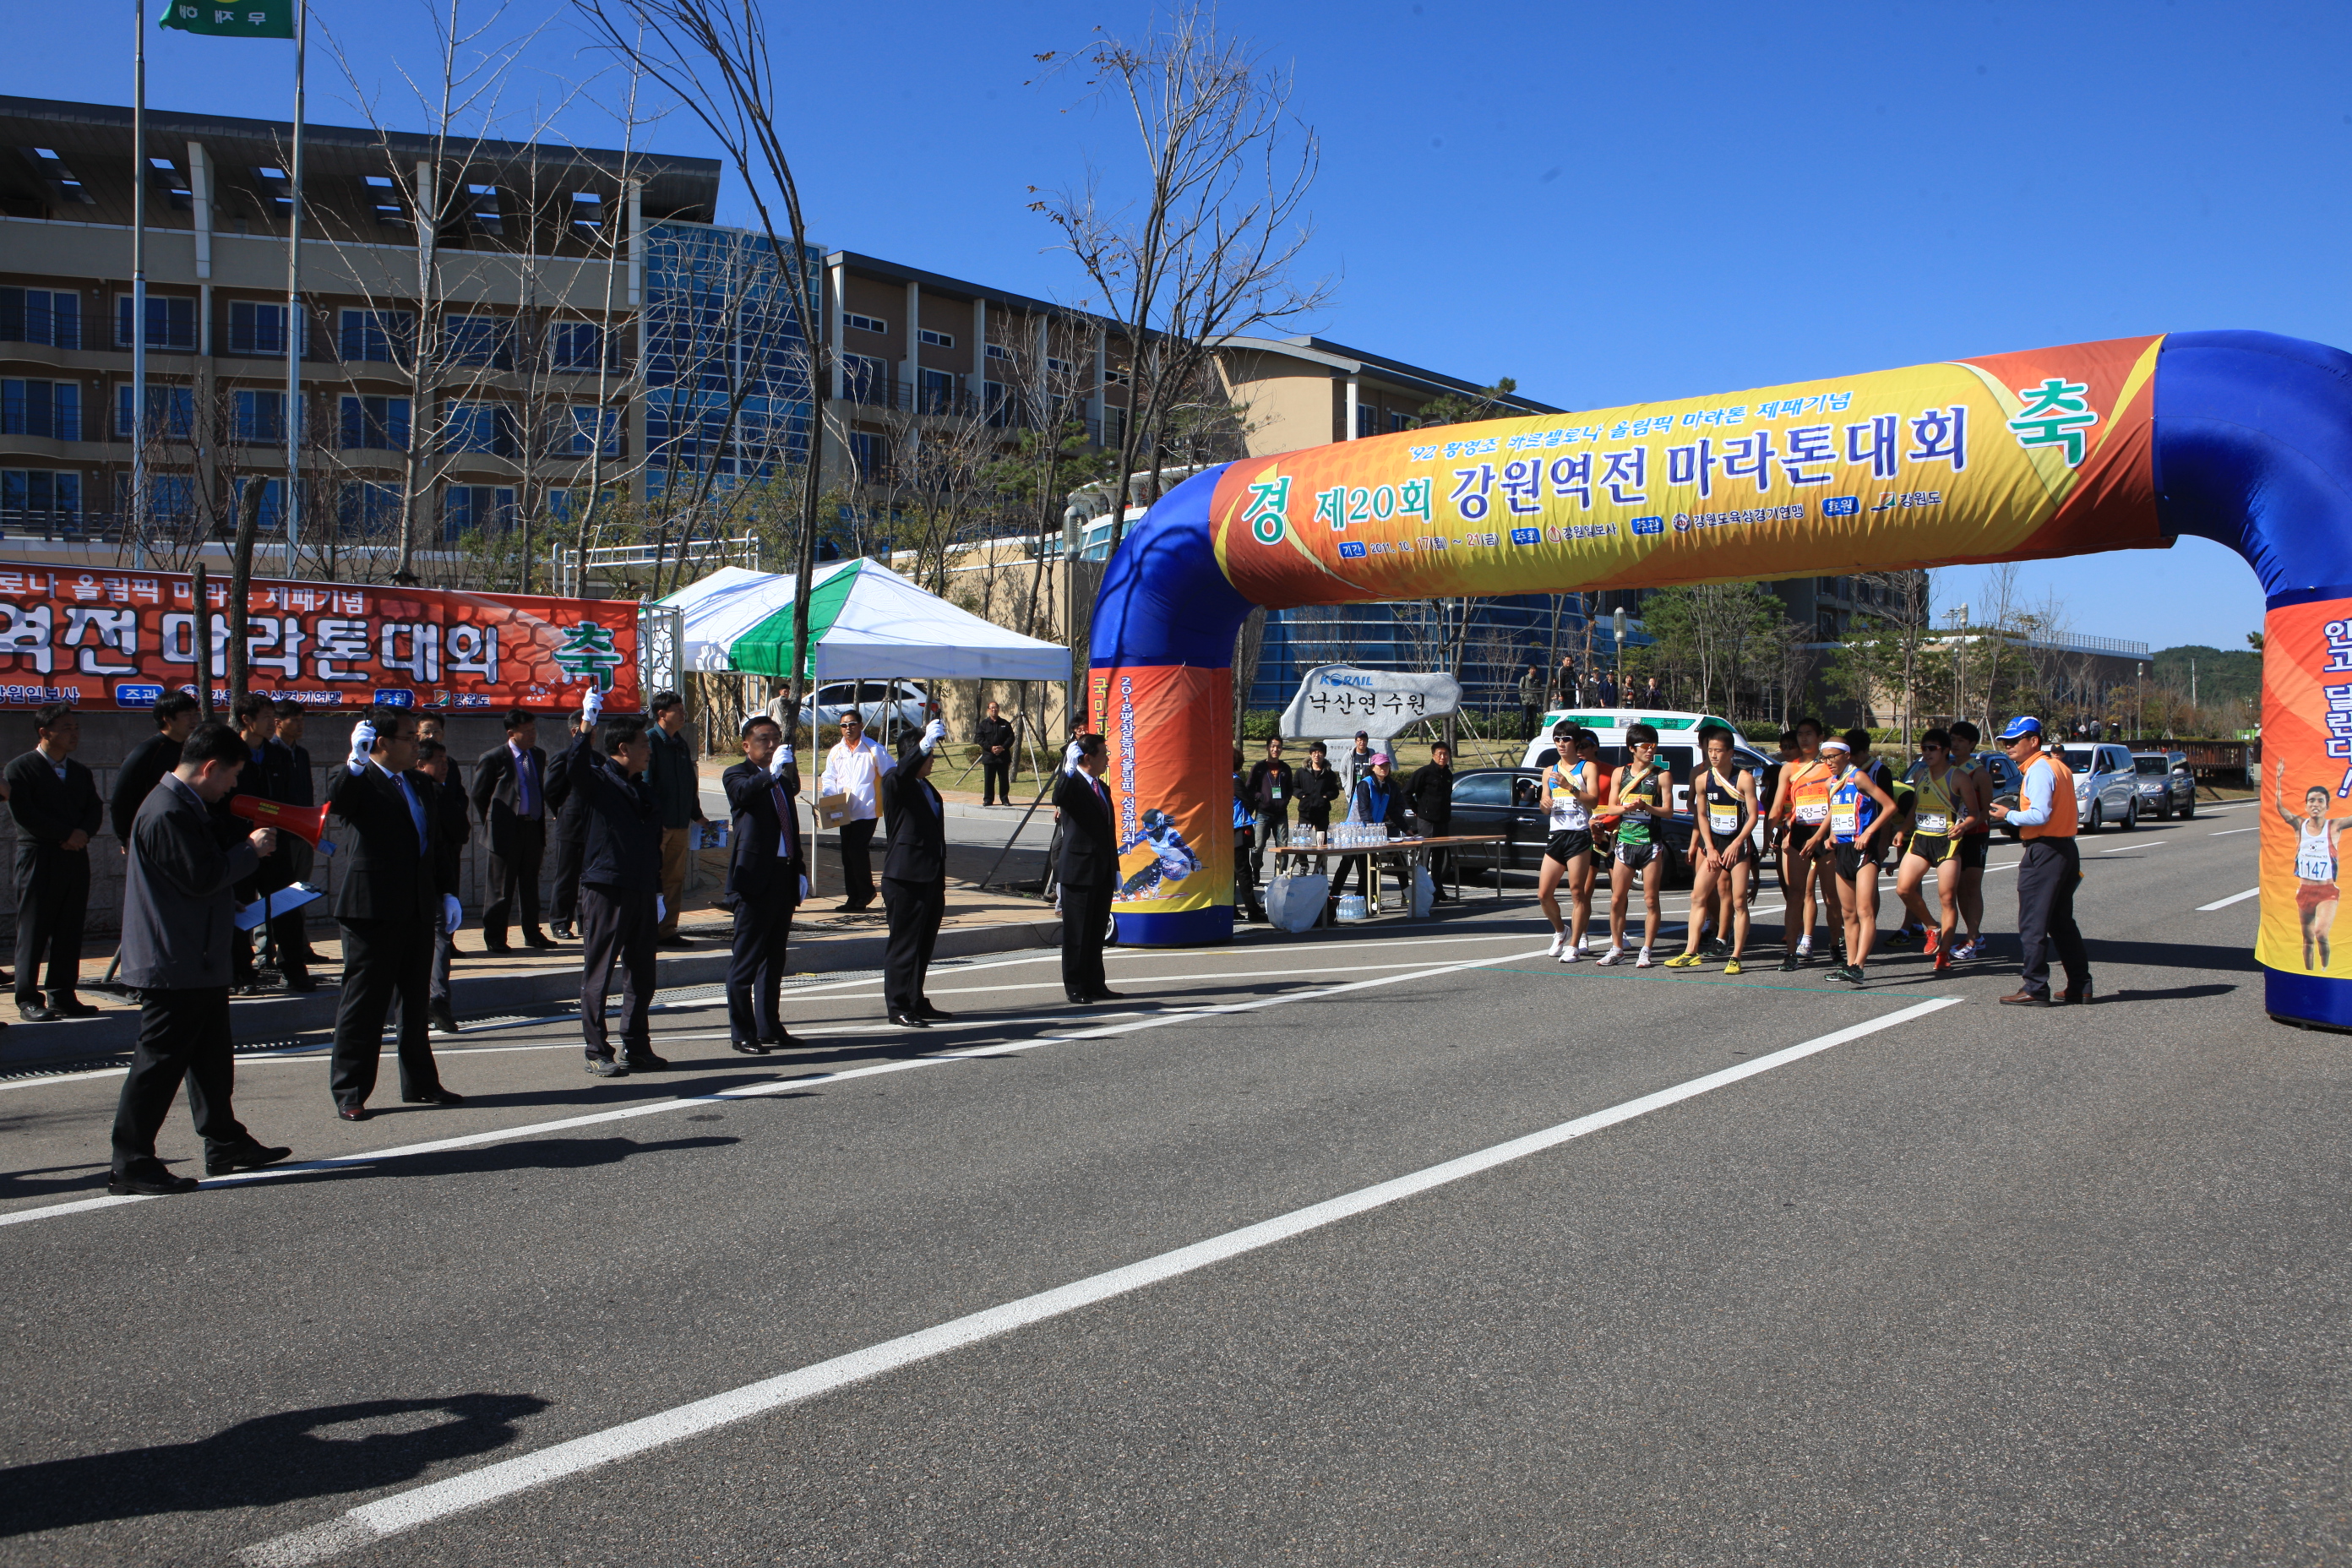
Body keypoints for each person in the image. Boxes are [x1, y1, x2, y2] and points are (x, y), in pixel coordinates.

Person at [107, 721, 291, 1195]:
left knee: (211, 1058)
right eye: (230, 776)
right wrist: (248, 852)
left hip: (196, 955)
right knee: (159, 1064)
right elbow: (200, 876)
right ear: (209, 767)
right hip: (175, 960)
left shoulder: (182, 806)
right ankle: (132, 1162)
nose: (233, 787)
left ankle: (225, 1140)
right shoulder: (168, 811)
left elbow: (192, 881)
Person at [324, 707, 460, 1119]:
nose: (417, 745)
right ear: (381, 742)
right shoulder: (360, 778)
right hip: (372, 909)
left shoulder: (419, 783)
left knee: (415, 1000)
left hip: (417, 905)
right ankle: (350, 1090)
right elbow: (339, 803)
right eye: (408, 737)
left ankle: (420, 1081)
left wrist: (447, 892)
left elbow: (434, 844)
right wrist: (355, 760)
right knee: (364, 1003)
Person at [565, 689, 667, 1074]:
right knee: (600, 971)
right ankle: (596, 1050)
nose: (649, 749)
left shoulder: (643, 789)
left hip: (641, 888)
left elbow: (653, 845)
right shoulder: (598, 782)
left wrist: (657, 890)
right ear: (623, 747)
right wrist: (587, 724)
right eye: (644, 743)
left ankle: (636, 1045)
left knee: (642, 974)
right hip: (606, 888)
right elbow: (574, 766)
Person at [1990, 716, 2093, 1005]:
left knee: (2033, 921)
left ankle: (2035, 986)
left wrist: (2005, 815)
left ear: (2033, 741)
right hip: (2064, 849)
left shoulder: (2038, 770)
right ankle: (2080, 984)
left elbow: (2039, 814)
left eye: (2014, 741)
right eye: (2006, 741)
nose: (2008, 746)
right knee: (2061, 922)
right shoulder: (2058, 766)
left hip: (2044, 850)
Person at [7, 703, 100, 1019]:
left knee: (70, 927)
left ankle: (62, 993)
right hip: (39, 856)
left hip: (75, 857)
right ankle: (28, 998)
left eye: (76, 727)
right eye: (66, 728)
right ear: (44, 732)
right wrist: (65, 833)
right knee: (34, 928)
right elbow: (26, 814)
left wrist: (83, 833)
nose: (73, 734)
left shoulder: (80, 772)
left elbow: (94, 809)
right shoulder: (20, 768)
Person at [721, 713, 806, 1053]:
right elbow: (742, 794)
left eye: (776, 738)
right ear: (746, 745)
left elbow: (791, 829)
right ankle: (742, 1032)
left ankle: (769, 1025)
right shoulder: (737, 774)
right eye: (763, 739)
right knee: (746, 959)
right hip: (754, 878)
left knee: (774, 959)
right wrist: (769, 775)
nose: (771, 745)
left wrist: (798, 869)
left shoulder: (782, 781)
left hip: (782, 876)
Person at [1667, 722, 1758, 973]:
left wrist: (1738, 843)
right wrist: (1708, 846)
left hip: (1737, 845)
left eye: (1719, 751)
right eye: (1710, 751)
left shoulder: (1744, 778)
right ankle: (1690, 951)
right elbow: (1701, 814)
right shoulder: (1703, 779)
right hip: (1714, 844)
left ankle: (1736, 956)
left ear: (1730, 753)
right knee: (1698, 896)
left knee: (1739, 902)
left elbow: (1753, 816)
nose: (1714, 755)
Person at [1810, 735, 1900, 985]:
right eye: (1824, 757)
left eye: (1832, 757)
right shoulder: (1832, 783)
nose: (1827, 762)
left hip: (1864, 849)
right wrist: (1829, 836)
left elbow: (1889, 806)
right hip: (1843, 850)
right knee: (1847, 913)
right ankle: (1849, 964)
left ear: (1846, 755)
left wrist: (1870, 832)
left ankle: (1859, 965)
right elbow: (1835, 812)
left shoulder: (1858, 776)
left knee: (1864, 911)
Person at [879, 720, 951, 1027]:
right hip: (905, 877)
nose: (933, 758)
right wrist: (921, 747)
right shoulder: (896, 780)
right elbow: (901, 773)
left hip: (930, 875)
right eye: (929, 753)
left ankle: (916, 998)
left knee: (923, 944)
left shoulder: (926, 786)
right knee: (904, 944)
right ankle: (898, 1005)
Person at [1892, 729, 1979, 973]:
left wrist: (1963, 826)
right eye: (1924, 748)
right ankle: (1932, 927)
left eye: (1932, 748)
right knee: (1904, 888)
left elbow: (1975, 813)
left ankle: (1943, 953)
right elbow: (1915, 809)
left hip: (1947, 842)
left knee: (1947, 897)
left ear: (1945, 750)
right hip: (1921, 839)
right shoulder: (1920, 775)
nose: (1927, 753)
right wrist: (1902, 830)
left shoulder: (1959, 777)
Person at [472, 708, 553, 954]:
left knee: (530, 884)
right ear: (511, 733)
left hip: (532, 827)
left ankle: (533, 933)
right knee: (501, 888)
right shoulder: (494, 757)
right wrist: (496, 822)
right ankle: (495, 937)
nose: (533, 735)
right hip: (506, 830)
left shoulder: (537, 755)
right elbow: (479, 795)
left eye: (534, 730)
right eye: (527, 731)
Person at [409, 739, 470, 1035]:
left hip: (439, 876)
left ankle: (433, 1001)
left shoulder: (442, 791)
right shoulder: (426, 793)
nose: (445, 766)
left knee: (439, 935)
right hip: (421, 879)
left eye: (447, 760)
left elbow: (461, 830)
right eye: (438, 760)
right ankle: (435, 1000)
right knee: (438, 936)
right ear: (420, 765)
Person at [1054, 733, 1119, 1004]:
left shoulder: (1102, 788)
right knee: (1076, 934)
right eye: (1104, 753)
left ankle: (1095, 984)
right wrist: (1067, 770)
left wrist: (1115, 868)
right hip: (1078, 870)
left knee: (1095, 932)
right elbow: (1060, 796)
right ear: (1088, 758)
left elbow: (1108, 831)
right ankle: (1075, 985)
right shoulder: (1073, 784)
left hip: (1101, 869)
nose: (1108, 757)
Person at [1770, 716, 1839, 970]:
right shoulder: (1789, 768)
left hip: (1826, 835)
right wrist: (1770, 831)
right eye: (1800, 734)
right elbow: (1778, 806)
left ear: (1820, 736)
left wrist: (1823, 835)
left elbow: (1838, 803)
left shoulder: (1829, 766)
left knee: (1831, 895)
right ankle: (1790, 953)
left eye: (1809, 733)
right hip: (1799, 834)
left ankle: (1835, 945)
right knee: (1796, 894)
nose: (1804, 738)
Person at [2278, 755, 2352, 969]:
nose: (2315, 804)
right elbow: (2279, 807)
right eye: (2311, 800)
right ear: (2306, 805)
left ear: (2327, 806)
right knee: (2307, 938)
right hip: (2304, 892)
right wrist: (2279, 779)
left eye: (2320, 800)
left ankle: (2325, 968)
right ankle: (2309, 973)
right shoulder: (2299, 825)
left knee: (2321, 933)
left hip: (2327, 891)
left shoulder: (2334, 827)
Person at [1537, 726, 1603, 962]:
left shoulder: (1588, 767)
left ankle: (1574, 944)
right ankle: (1560, 931)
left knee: (1578, 892)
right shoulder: (1549, 771)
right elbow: (1545, 807)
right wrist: (1545, 803)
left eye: (1566, 740)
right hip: (1557, 835)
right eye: (1557, 740)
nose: (1561, 744)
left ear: (1575, 742)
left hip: (1579, 835)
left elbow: (1593, 800)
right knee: (1544, 893)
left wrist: (1569, 786)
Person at [1603, 721, 1667, 966]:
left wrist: (1647, 807)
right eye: (1645, 746)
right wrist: (1626, 807)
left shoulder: (1662, 774)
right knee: (1617, 899)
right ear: (1632, 748)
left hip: (1650, 843)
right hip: (1625, 842)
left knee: (1651, 899)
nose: (1650, 750)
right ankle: (1617, 946)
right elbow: (1611, 807)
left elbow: (1669, 811)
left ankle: (1647, 949)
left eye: (1654, 746)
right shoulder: (1620, 773)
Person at [268, 701, 325, 972]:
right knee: (277, 893)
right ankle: (268, 949)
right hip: (281, 834)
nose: (301, 725)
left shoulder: (301, 753)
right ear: (278, 722)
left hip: (304, 832)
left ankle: (300, 947)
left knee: (300, 891)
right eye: (295, 720)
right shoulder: (270, 752)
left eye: (303, 719)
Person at [646, 690, 707, 945]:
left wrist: (697, 815)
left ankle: (667, 930)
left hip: (680, 825)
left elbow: (688, 783)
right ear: (662, 714)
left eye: (683, 709)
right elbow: (646, 785)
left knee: (674, 878)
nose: (683, 714)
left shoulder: (680, 742)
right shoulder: (650, 741)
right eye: (677, 710)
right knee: (652, 879)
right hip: (658, 825)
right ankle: (647, 929)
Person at [819, 710, 891, 912]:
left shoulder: (874, 750)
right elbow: (829, 777)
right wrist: (830, 795)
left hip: (867, 810)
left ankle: (867, 891)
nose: (848, 729)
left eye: (851, 724)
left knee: (856, 851)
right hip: (843, 810)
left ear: (860, 725)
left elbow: (891, 774)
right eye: (843, 725)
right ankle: (854, 897)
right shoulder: (836, 751)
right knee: (846, 855)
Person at [543, 710, 595, 940]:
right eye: (591, 729)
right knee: (567, 877)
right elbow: (551, 791)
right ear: (576, 731)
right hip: (571, 826)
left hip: (594, 828)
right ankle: (560, 922)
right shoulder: (563, 757)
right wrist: (561, 812)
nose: (595, 735)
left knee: (590, 878)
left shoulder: (598, 759)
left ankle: (587, 921)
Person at [1945, 721, 1995, 959]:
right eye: (1952, 740)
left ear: (1972, 744)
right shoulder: (1948, 769)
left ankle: (1972, 939)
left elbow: (1987, 810)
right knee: (1957, 888)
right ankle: (1974, 935)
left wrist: (1966, 825)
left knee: (1972, 885)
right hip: (1951, 834)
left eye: (1960, 741)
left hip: (1975, 834)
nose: (1954, 745)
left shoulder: (1979, 772)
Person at [1333, 751, 1407, 908]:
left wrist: (1407, 829)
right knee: (1347, 864)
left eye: (1386, 766)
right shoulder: (1365, 784)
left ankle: (1363, 898)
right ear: (1373, 767)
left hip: (1371, 833)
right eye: (1380, 766)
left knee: (1367, 867)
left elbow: (1393, 811)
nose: (1384, 769)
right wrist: (1373, 829)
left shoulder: (1387, 786)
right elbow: (1364, 809)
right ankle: (1332, 897)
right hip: (1354, 831)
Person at [1406, 740, 1456, 901]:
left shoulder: (1448, 775)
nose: (1443, 757)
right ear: (1433, 755)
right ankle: (1421, 890)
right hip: (1427, 821)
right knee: (1425, 857)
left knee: (1439, 858)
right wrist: (1418, 810)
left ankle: (1437, 889)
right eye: (1440, 754)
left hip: (1443, 820)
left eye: (1446, 754)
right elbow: (1406, 793)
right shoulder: (1424, 773)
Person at [1245, 736, 1295, 885]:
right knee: (1258, 846)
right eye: (1273, 746)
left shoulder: (1285, 768)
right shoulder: (1259, 767)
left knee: (1283, 848)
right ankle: (1256, 870)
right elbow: (1249, 788)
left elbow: (1290, 789)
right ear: (1267, 748)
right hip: (1263, 813)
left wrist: (1285, 801)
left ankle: (1278, 877)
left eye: (1278, 747)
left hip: (1281, 814)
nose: (1275, 749)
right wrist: (1260, 797)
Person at [1230, 748, 1267, 923]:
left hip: (1228, 829)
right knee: (1243, 873)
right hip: (1239, 828)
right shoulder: (1235, 781)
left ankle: (1232, 908)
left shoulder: (1221, 779)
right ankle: (1253, 910)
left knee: (1232, 873)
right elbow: (1248, 801)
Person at [1294, 741, 1341, 836]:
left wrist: (1326, 796)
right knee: (1302, 841)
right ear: (1310, 754)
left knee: (1322, 842)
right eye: (1314, 752)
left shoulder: (1329, 774)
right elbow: (1294, 786)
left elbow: (1335, 791)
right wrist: (1301, 795)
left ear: (1324, 755)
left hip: (1322, 812)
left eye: (1320, 752)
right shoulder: (1301, 771)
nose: (1317, 755)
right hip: (1305, 812)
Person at [977, 700, 1017, 806]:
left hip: (1003, 757)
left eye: (996, 707)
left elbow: (1011, 737)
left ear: (998, 709)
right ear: (988, 710)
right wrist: (991, 748)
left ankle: (1004, 799)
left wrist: (1003, 747)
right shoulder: (983, 724)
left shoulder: (1005, 724)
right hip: (989, 757)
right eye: (992, 708)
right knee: (989, 780)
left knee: (1004, 780)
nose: (994, 710)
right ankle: (988, 799)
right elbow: (979, 738)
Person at [1517, 665, 1544, 741]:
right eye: (1532, 669)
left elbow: (1539, 690)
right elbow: (1520, 689)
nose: (1533, 670)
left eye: (1534, 669)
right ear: (1529, 670)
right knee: (1524, 720)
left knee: (1532, 721)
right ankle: (1522, 738)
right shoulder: (1524, 678)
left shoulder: (1537, 679)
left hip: (1534, 702)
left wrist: (1538, 699)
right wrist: (1524, 697)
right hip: (1526, 702)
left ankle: (1530, 738)